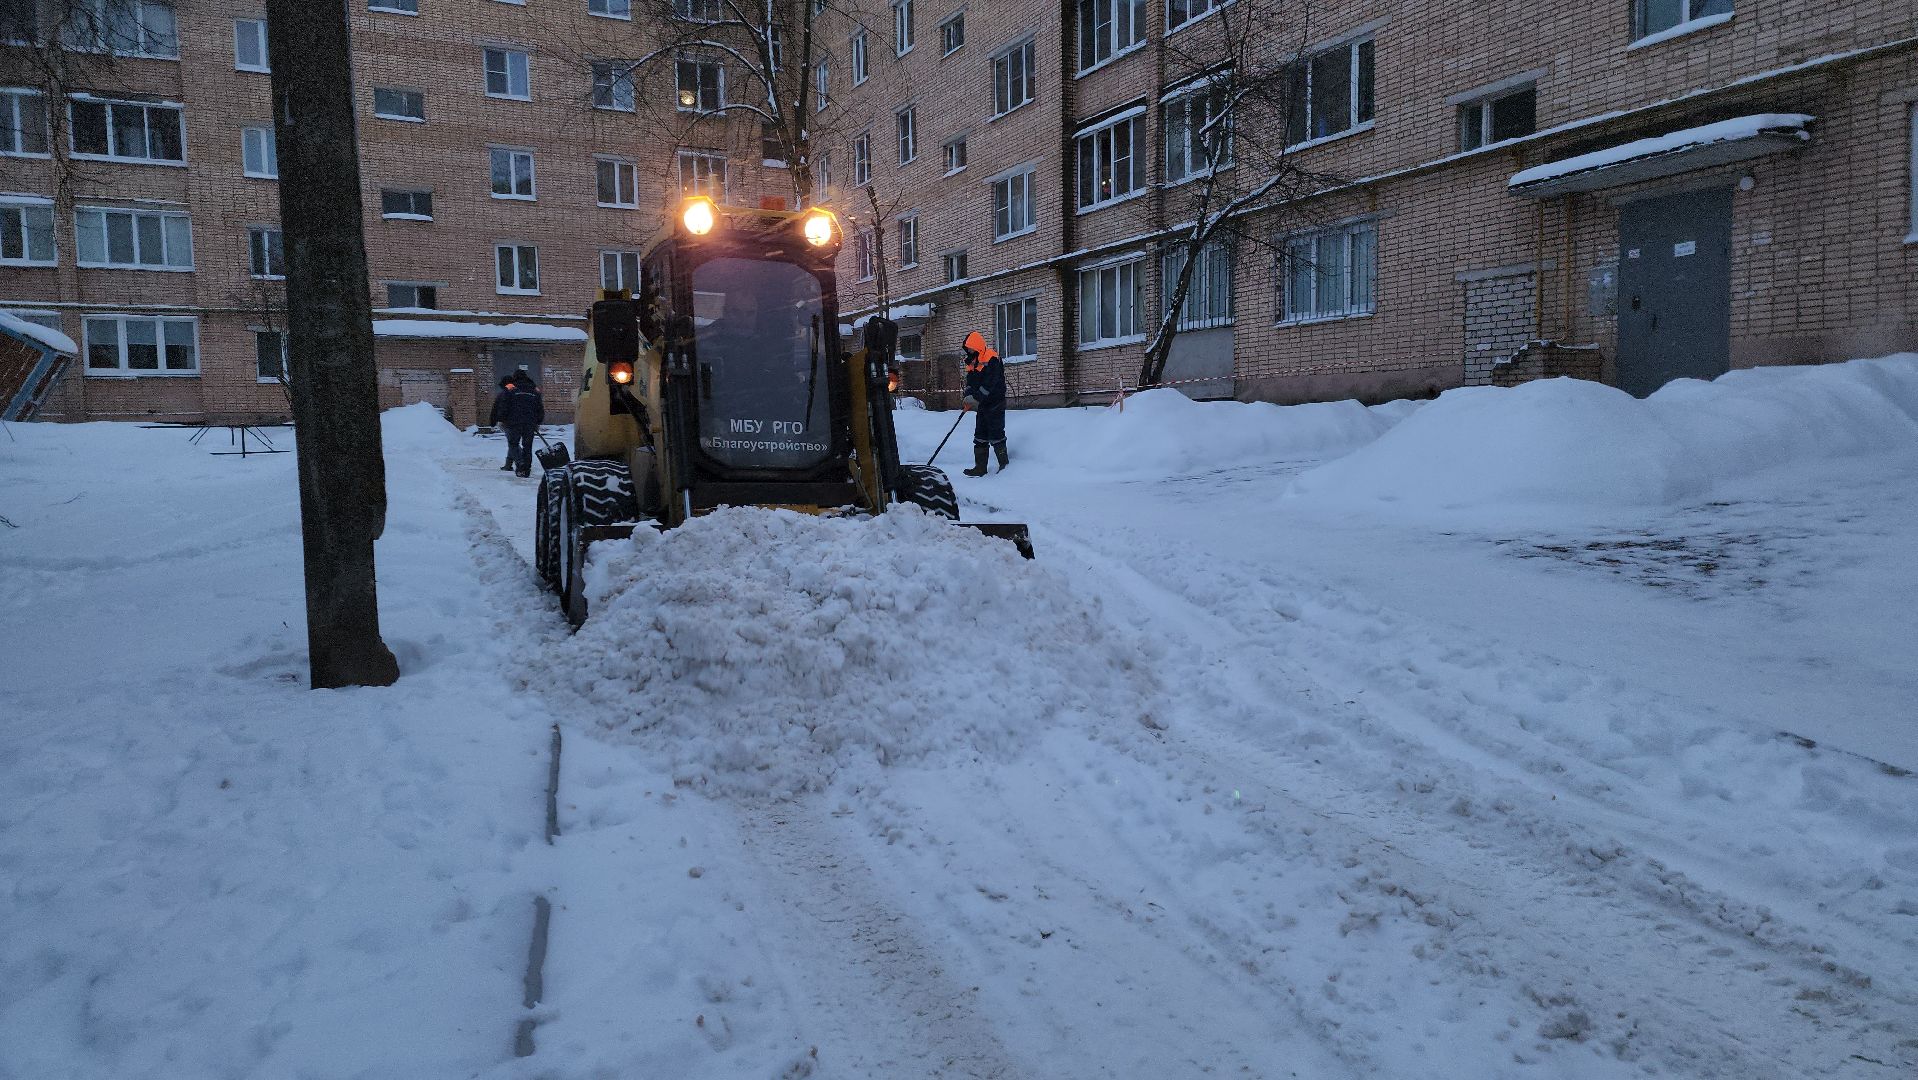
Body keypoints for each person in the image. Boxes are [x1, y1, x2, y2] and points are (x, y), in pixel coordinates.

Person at [960, 330, 1007, 476]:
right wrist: (968, 396)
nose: (969, 350)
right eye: (967, 348)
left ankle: (1005, 467)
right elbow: (970, 382)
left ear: (977, 346)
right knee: (980, 435)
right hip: (982, 404)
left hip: (995, 402)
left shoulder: (991, 357)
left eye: (970, 348)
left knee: (996, 434)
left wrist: (978, 397)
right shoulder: (972, 361)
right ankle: (980, 468)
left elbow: (991, 382)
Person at [489, 370, 545, 477]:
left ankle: (520, 464)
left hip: (513, 422)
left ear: (515, 378)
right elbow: (539, 407)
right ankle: (526, 469)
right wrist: (538, 421)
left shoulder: (510, 389)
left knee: (513, 444)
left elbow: (504, 405)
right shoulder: (534, 390)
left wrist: (501, 419)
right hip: (530, 423)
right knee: (527, 446)